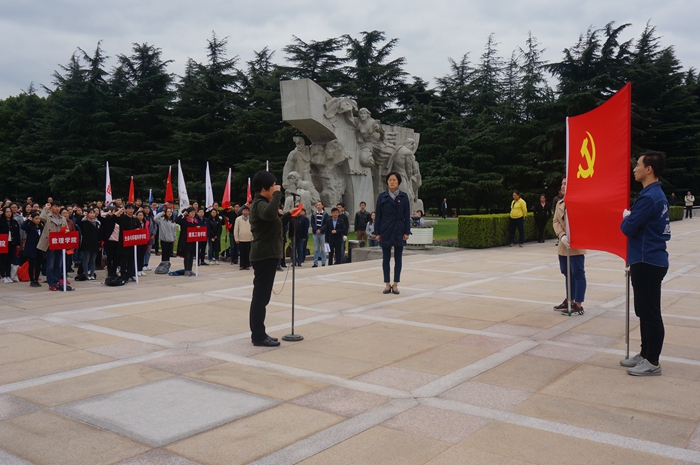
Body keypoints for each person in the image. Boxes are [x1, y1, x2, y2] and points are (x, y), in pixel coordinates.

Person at [620, 151, 671, 376]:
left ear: (649, 169)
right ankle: (645, 353)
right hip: (648, 259)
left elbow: (628, 228)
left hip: (647, 260)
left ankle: (652, 361)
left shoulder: (650, 197)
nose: (635, 169)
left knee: (650, 313)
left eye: (638, 165)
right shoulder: (654, 194)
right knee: (644, 311)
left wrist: (626, 218)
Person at [248, 170, 301, 347]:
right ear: (264, 188)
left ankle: (260, 333)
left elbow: (274, 223)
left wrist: (288, 215)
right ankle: (258, 336)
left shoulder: (263, 204)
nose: (276, 188)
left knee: (262, 297)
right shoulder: (259, 203)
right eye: (273, 186)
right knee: (261, 298)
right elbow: (270, 214)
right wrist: (278, 194)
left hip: (268, 255)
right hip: (264, 256)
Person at [552, 178, 586, 315]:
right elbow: (555, 221)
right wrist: (562, 235)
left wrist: (573, 235)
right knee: (566, 272)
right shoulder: (559, 203)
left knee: (577, 273)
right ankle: (569, 299)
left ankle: (578, 304)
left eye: (566, 183)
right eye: (562, 184)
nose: (563, 186)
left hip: (576, 244)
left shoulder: (579, 202)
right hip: (563, 244)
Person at [375, 172, 411, 295]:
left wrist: (406, 231)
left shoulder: (404, 196)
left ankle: (395, 284)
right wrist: (377, 232)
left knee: (398, 259)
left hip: (399, 229)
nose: (392, 182)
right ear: (387, 182)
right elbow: (378, 216)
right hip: (385, 228)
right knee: (386, 259)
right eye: (390, 180)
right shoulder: (382, 197)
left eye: (394, 180)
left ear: (398, 182)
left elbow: (407, 215)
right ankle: (387, 284)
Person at [37, 201, 70, 291]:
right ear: (51, 207)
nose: (57, 208)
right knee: (50, 265)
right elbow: (41, 217)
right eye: (55, 206)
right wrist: (45, 208)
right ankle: (51, 283)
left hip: (60, 243)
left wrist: (67, 231)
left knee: (58, 264)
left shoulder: (63, 218)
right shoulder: (48, 216)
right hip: (50, 242)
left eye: (58, 207)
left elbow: (66, 228)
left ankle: (57, 281)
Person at [21, 212, 44, 287]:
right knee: (31, 265)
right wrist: (28, 220)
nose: (38, 220)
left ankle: (36, 279)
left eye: (38, 219)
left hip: (40, 248)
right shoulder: (30, 227)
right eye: (36, 219)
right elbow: (23, 226)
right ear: (32, 219)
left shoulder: (41, 227)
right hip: (31, 248)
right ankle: (32, 280)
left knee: (38, 265)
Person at [79, 208, 101, 281]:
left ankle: (92, 274)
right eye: (90, 213)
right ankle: (86, 274)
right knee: (86, 260)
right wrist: (83, 216)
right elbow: (78, 223)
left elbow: (99, 235)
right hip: (87, 244)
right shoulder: (84, 223)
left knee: (93, 260)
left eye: (93, 213)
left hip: (95, 244)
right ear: (87, 214)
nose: (92, 215)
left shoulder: (97, 223)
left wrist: (100, 245)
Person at [0, 206, 21, 283]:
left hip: (12, 242)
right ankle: (3, 275)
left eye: (10, 212)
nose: (8, 213)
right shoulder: (1, 221)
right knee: (3, 259)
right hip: (3, 242)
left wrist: (18, 243)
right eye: (7, 212)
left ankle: (8, 275)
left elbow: (17, 234)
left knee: (9, 259)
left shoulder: (14, 222)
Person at [176, 207, 198, 276]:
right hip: (186, 241)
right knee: (187, 256)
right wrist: (182, 214)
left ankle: (190, 269)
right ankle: (186, 270)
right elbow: (176, 220)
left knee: (191, 256)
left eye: (193, 212)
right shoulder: (185, 220)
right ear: (188, 213)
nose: (193, 214)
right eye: (191, 212)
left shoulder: (195, 221)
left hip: (193, 241)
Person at [235, 206, 252, 270]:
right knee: (242, 253)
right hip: (241, 238)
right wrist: (236, 238)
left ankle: (247, 265)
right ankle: (242, 265)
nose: (245, 212)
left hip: (249, 238)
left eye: (247, 211)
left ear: (249, 212)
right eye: (244, 211)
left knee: (248, 252)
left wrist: (253, 238)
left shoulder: (251, 219)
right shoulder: (238, 219)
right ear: (242, 212)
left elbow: (254, 228)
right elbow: (236, 229)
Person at [312, 201, 328, 267]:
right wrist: (316, 230)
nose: (318, 206)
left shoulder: (325, 214)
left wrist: (320, 230)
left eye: (319, 205)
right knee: (316, 248)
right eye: (317, 205)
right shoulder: (314, 214)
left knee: (323, 248)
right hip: (315, 233)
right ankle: (315, 262)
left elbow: (326, 223)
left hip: (322, 233)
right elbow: (312, 223)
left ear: (322, 206)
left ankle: (323, 262)